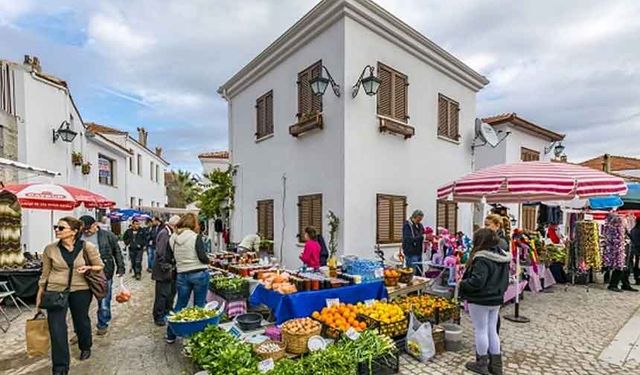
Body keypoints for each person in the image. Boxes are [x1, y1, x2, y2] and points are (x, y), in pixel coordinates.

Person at [36, 217, 104, 375]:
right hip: (55, 290)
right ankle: (60, 367)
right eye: (56, 227)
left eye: (61, 228)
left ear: (74, 232)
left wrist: (88, 267)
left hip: (81, 289)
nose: (57, 230)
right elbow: (45, 274)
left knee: (81, 321)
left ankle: (85, 346)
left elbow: (100, 266)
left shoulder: (87, 247)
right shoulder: (50, 249)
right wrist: (40, 295)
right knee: (57, 328)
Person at [460, 228, 511, 375]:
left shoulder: (482, 258)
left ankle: (481, 364)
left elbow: (477, 282)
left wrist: (462, 284)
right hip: (496, 299)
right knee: (492, 330)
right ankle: (496, 366)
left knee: (481, 330)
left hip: (480, 299)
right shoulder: (502, 256)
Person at [166, 213, 210, 344]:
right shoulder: (195, 237)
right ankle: (197, 337)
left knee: (180, 304)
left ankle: (170, 334)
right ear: (193, 224)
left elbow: (169, 258)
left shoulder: (173, 237)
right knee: (199, 306)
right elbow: (202, 257)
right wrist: (209, 260)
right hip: (199, 273)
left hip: (181, 274)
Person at [79, 215, 125, 335]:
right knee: (81, 304)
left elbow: (117, 252)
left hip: (103, 272)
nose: (87, 231)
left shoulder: (108, 235)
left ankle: (102, 323)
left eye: (89, 228)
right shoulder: (78, 236)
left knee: (104, 301)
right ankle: (80, 330)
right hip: (83, 274)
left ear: (95, 225)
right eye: (84, 229)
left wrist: (121, 267)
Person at [152, 215, 179, 326]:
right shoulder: (164, 234)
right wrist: (166, 266)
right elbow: (161, 252)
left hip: (169, 270)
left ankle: (166, 311)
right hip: (163, 270)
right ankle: (158, 316)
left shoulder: (169, 233)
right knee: (162, 294)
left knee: (169, 293)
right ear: (174, 225)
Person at [402, 210, 425, 275]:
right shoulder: (407, 225)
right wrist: (422, 237)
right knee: (412, 272)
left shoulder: (420, 225)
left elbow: (423, 234)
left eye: (421, 219)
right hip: (410, 252)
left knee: (419, 272)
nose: (419, 221)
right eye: (418, 219)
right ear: (414, 217)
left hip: (418, 251)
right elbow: (408, 239)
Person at [629, 218, 640, 285]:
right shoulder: (638, 230)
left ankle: (637, 278)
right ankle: (638, 278)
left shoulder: (633, 230)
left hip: (634, 249)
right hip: (638, 249)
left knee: (636, 264)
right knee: (637, 264)